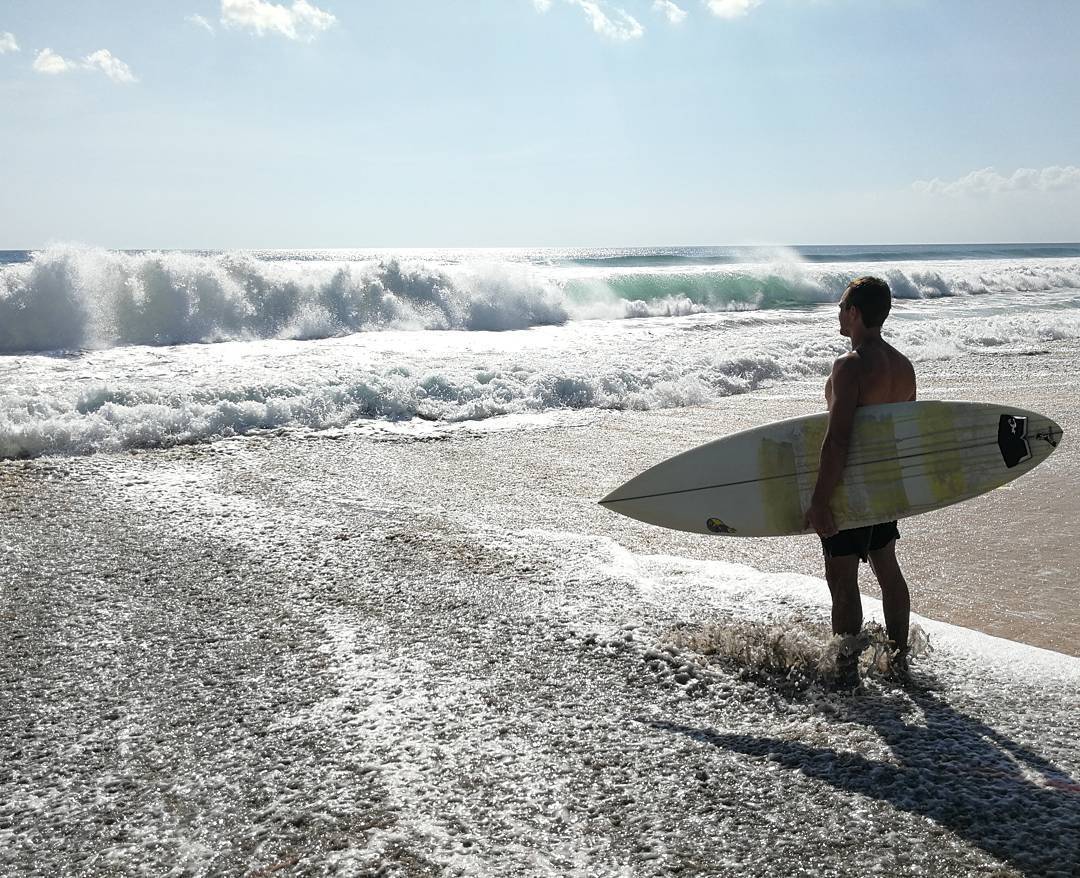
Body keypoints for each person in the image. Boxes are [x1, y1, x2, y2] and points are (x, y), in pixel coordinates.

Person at [804, 276, 917, 686]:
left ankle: (847, 675)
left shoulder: (849, 367)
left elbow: (838, 440)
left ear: (854, 313)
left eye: (841, 307)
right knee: (888, 569)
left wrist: (820, 501)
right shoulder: (904, 368)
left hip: (848, 490)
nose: (837, 313)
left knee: (842, 577)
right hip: (884, 487)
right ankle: (900, 661)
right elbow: (902, 436)